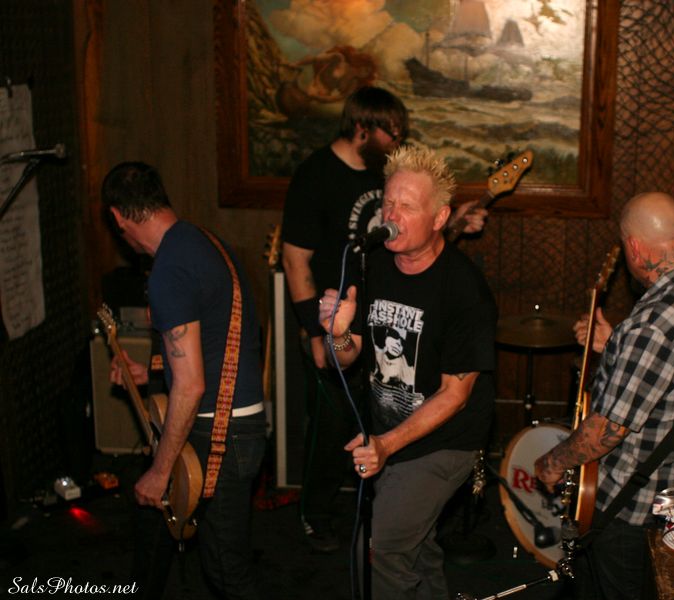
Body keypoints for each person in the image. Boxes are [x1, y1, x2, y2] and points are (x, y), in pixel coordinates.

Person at [280, 85, 485, 552]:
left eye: (400, 132)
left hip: (388, 362)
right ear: (361, 127)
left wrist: (451, 223)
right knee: (329, 428)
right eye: (390, 131)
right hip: (335, 318)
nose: (397, 140)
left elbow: (418, 240)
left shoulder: (384, 177)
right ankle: (315, 514)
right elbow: (294, 260)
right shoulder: (318, 177)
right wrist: (322, 332)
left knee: (386, 537)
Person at [536, 192, 674, 600]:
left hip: (627, 512)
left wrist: (552, 462)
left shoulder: (651, 327)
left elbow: (606, 431)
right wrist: (615, 343)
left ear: (634, 246)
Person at [318, 145, 497, 599]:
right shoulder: (374, 264)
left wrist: (386, 445)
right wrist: (338, 334)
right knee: (416, 551)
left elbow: (455, 394)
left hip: (444, 441)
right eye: (388, 202)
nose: (391, 216)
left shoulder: (463, 288)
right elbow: (347, 357)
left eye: (407, 206)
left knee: (379, 547)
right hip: (389, 431)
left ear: (440, 218)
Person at [103, 162, 266, 600]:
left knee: (227, 572)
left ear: (118, 217)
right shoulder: (201, 241)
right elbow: (212, 341)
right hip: (235, 425)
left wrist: (160, 471)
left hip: (220, 433)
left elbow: (191, 386)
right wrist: (149, 373)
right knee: (153, 530)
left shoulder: (169, 271)